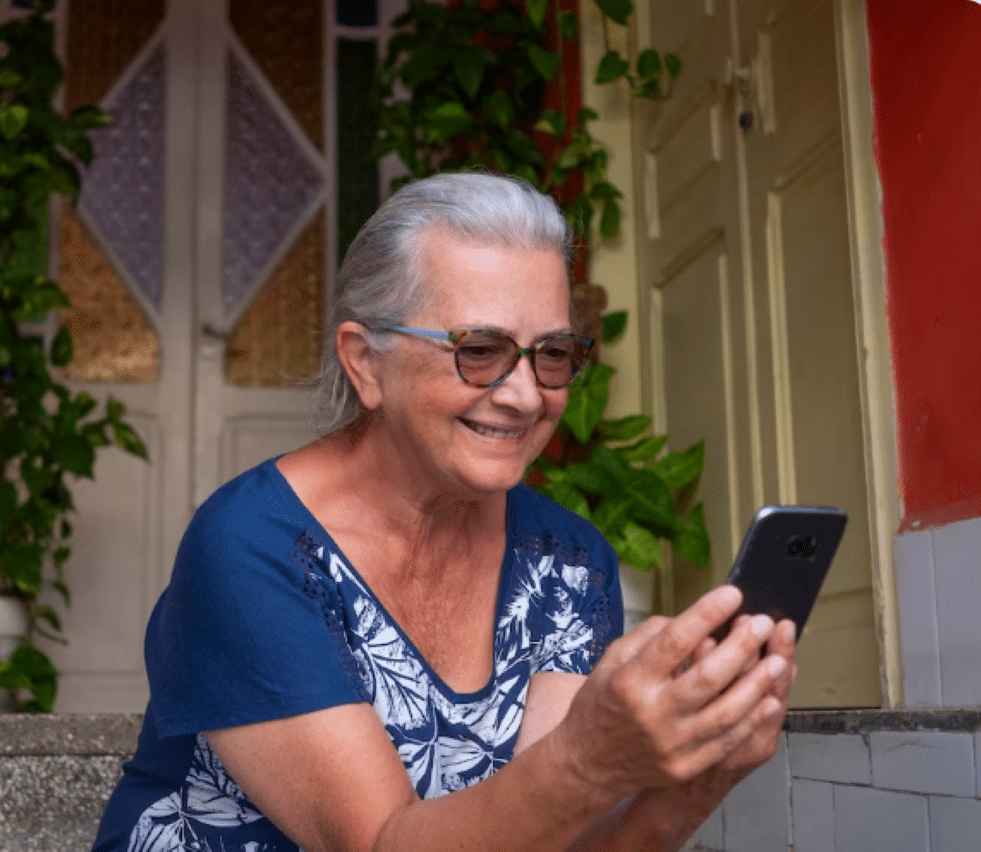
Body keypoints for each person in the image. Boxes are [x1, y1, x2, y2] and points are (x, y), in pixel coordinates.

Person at [93, 172, 797, 852]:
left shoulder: (569, 564)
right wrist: (592, 759)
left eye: (552, 353)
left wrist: (702, 777)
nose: (525, 395)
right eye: (480, 350)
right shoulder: (253, 548)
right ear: (366, 363)